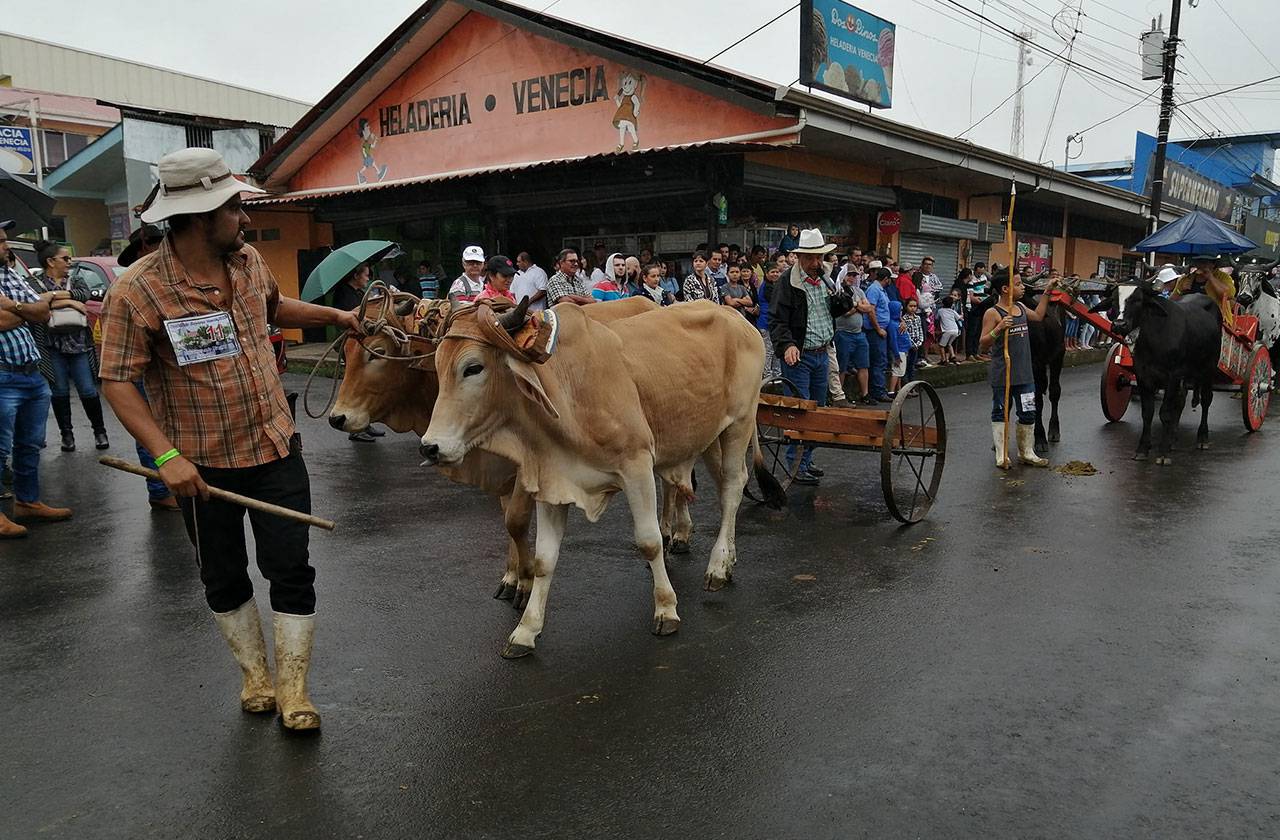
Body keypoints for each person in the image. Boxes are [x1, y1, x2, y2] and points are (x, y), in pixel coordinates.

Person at [98, 148, 363, 731]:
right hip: (201, 466)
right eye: (235, 207)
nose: (244, 219)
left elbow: (274, 306)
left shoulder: (247, 262)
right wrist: (165, 457)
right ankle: (256, 678)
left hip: (275, 447)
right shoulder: (137, 292)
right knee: (223, 575)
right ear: (197, 216)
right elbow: (117, 380)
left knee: (291, 568)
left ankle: (295, 691)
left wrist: (337, 318)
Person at [0, 220, 73, 537]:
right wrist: (26, 310)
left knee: (29, 444)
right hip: (2, 376)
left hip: (31, 374)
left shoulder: (11, 275)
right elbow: (2, 321)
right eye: (1, 241)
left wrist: (15, 306)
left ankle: (27, 502)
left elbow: (44, 310)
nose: (8, 246)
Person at [767, 229, 853, 485]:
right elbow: (777, 320)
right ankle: (795, 463)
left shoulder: (826, 278)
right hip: (800, 355)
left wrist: (842, 297)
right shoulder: (788, 282)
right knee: (800, 410)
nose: (816, 263)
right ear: (800, 257)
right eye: (811, 258)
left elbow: (838, 310)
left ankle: (807, 459)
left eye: (819, 258)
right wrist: (787, 345)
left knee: (817, 409)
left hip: (822, 352)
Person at [118, 224, 182, 511]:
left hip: (171, 372)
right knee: (150, 432)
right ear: (144, 247)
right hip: (144, 370)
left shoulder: (171, 279)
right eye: (156, 243)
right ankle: (158, 489)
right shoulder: (131, 287)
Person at [25, 240, 110, 453]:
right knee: (59, 390)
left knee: (88, 389)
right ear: (50, 261)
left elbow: (84, 294)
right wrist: (70, 302)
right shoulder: (33, 282)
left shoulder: (76, 278)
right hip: (51, 346)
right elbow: (35, 302)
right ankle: (67, 435)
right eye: (65, 258)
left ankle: (99, 431)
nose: (69, 262)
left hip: (78, 345)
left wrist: (53, 299)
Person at [979, 269, 1059, 469]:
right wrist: (998, 329)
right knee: (1000, 413)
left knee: (1028, 412)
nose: (1023, 287)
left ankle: (1026, 452)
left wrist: (1048, 291)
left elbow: (1039, 315)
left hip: (1025, 375)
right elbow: (983, 344)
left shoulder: (1021, 307)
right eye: (1018, 284)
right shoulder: (993, 313)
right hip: (1003, 374)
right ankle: (1002, 454)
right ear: (1005, 289)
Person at [834, 267, 874, 403]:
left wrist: (854, 305)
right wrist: (858, 306)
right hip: (843, 333)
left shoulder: (859, 291)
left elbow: (868, 308)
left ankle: (865, 395)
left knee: (863, 365)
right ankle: (838, 396)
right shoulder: (838, 291)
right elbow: (845, 312)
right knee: (842, 366)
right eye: (849, 275)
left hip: (859, 333)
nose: (851, 278)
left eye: (854, 275)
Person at [1172, 254, 1236, 327]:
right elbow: (1172, 301)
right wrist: (1180, 290)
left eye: (1206, 262)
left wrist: (1211, 277)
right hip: (1189, 320)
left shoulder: (1223, 277)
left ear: (1213, 264)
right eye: (1199, 262)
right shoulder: (1186, 279)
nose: (1202, 265)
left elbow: (1228, 295)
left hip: (1215, 321)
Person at [864, 266, 894, 403]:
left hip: (881, 329)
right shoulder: (874, 289)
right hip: (875, 331)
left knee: (880, 360)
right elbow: (871, 310)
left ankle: (878, 389)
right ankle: (878, 391)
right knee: (878, 361)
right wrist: (878, 329)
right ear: (886, 279)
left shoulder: (881, 290)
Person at [756, 263, 781, 379]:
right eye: (772, 272)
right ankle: (767, 376)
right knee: (768, 351)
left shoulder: (775, 285)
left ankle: (777, 375)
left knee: (776, 350)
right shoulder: (767, 286)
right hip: (766, 323)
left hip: (774, 323)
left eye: (777, 272)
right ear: (766, 274)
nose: (775, 274)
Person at [935, 292, 963, 365]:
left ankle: (943, 360)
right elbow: (959, 318)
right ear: (951, 304)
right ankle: (953, 356)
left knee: (941, 346)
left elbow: (936, 318)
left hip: (947, 331)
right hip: (955, 330)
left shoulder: (940, 311)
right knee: (949, 344)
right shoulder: (952, 311)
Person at [901, 297, 924, 384]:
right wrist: (913, 344)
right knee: (906, 366)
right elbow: (906, 334)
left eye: (915, 306)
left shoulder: (917, 318)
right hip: (908, 346)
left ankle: (912, 385)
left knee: (912, 366)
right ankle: (907, 386)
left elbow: (920, 331)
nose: (913, 308)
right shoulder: (904, 319)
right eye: (910, 306)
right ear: (906, 306)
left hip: (916, 345)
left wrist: (919, 342)